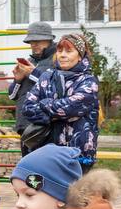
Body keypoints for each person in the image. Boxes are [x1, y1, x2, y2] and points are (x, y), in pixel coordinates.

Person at [22, 33, 100, 170]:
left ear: (80, 55)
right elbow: (28, 108)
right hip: (45, 150)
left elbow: (71, 108)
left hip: (77, 153)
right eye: (60, 50)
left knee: (75, 191)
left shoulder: (88, 82)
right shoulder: (47, 76)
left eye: (69, 51)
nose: (62, 55)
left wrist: (44, 104)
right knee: (43, 190)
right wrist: (58, 113)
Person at [8, 21, 58, 154]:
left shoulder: (56, 60)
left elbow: (54, 87)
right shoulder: (31, 62)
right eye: (31, 42)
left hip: (43, 126)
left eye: (38, 41)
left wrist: (32, 73)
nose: (33, 45)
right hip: (25, 125)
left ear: (48, 40)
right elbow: (12, 96)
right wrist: (17, 80)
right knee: (28, 168)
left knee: (42, 167)